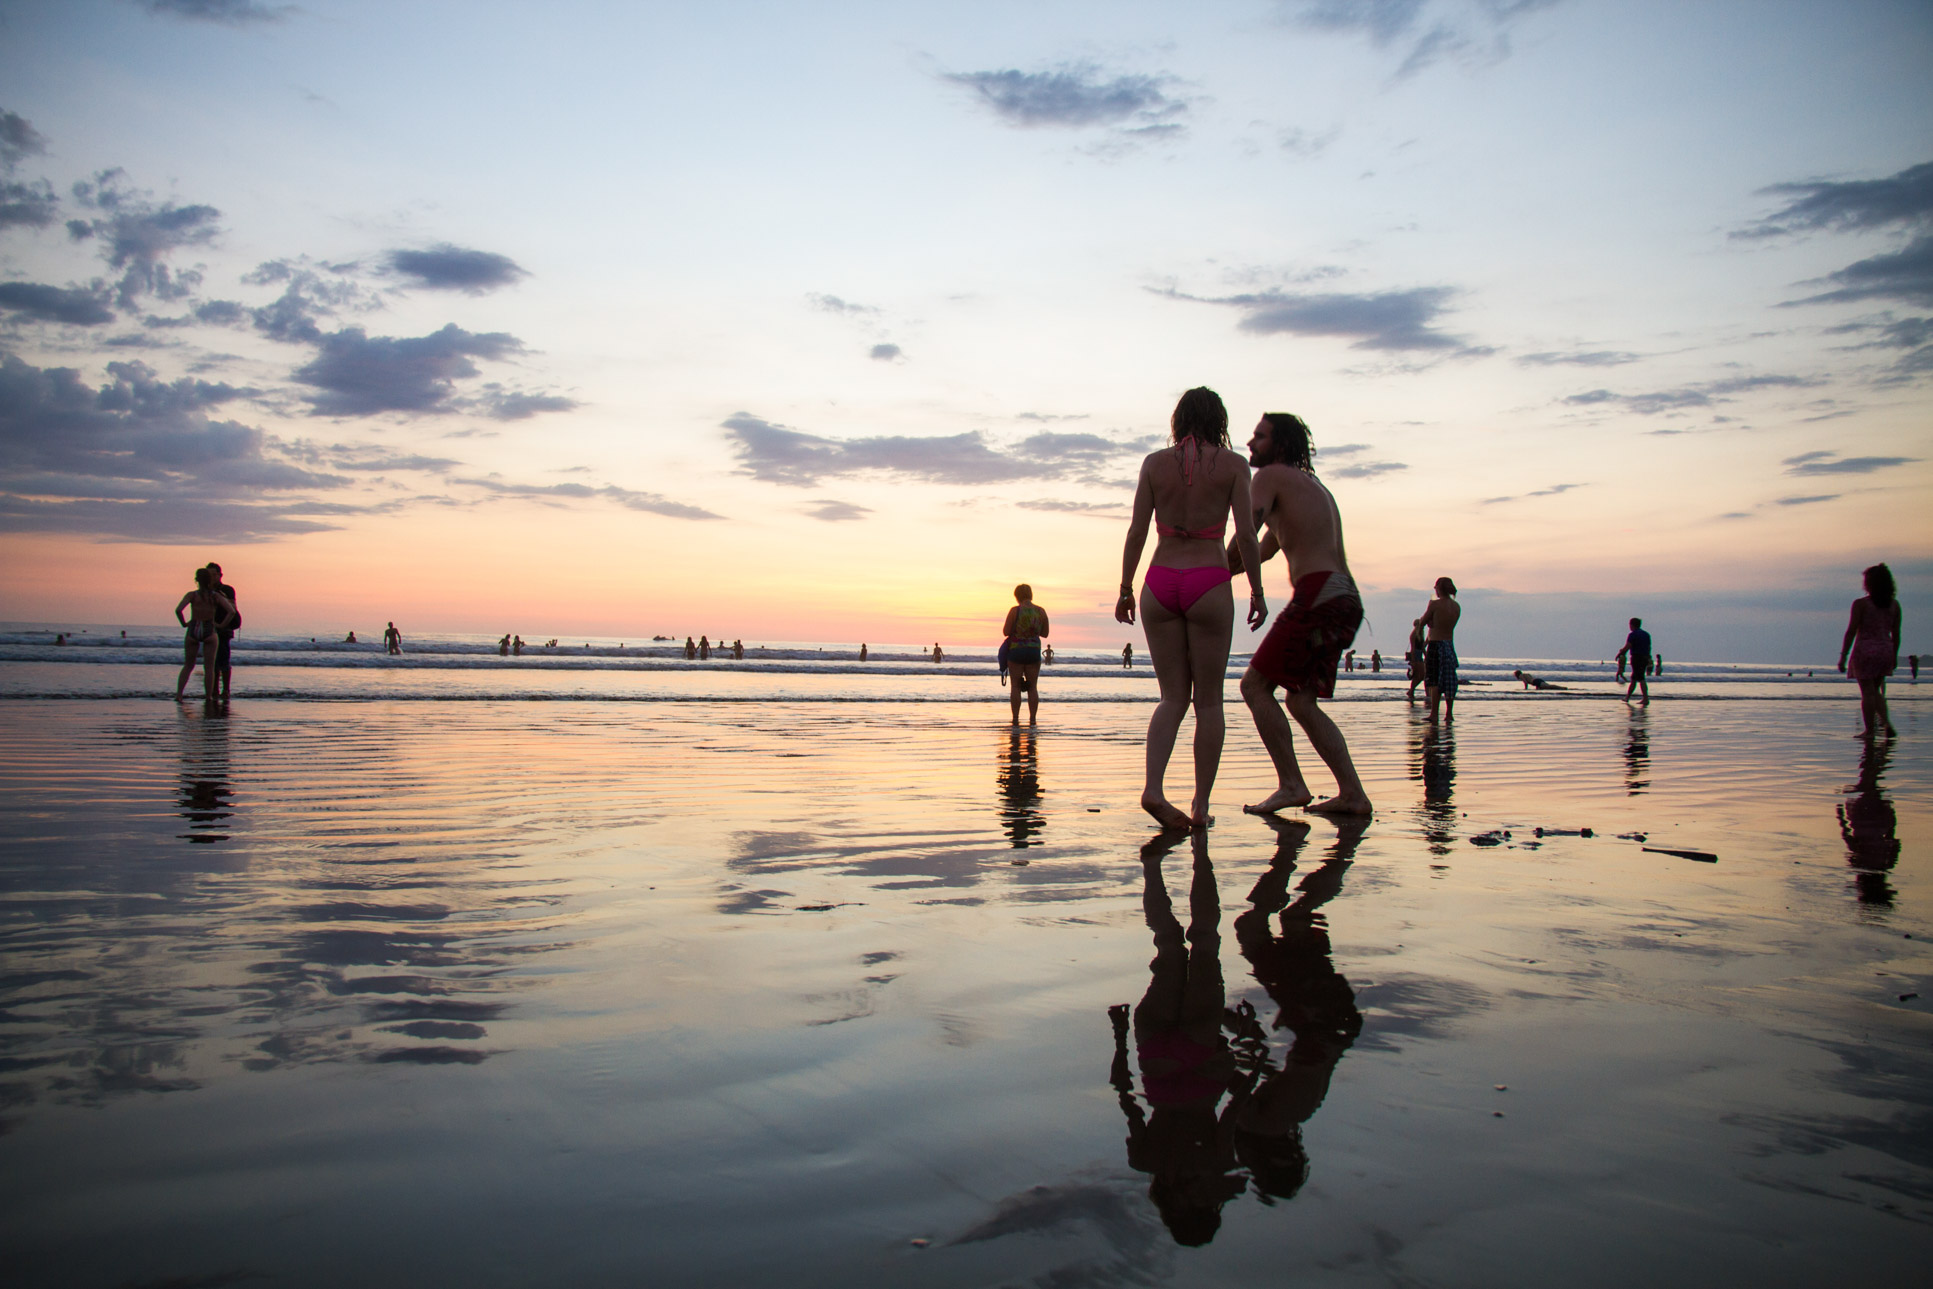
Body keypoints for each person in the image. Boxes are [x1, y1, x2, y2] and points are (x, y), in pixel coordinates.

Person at [1116, 386, 1266, 830]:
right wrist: (1256, 588)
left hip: (1160, 581)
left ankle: (1154, 788)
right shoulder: (1235, 466)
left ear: (1178, 419)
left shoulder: (1153, 464)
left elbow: (1136, 533)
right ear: (1217, 420)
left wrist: (1125, 587)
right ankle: (1200, 805)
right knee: (1210, 703)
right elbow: (1246, 536)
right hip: (1208, 579)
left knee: (1172, 697)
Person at [1232, 411, 1370, 816]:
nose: (1250, 443)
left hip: (1319, 593)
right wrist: (1219, 571)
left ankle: (1292, 784)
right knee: (1300, 701)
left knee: (1255, 687)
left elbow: (1247, 528)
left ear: (1281, 444)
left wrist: (1207, 564)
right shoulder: (1310, 486)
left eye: (1259, 436)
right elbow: (1260, 550)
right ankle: (1353, 794)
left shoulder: (1269, 477)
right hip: (1344, 597)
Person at [1839, 563, 1901, 738]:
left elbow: (1851, 631)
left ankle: (1870, 731)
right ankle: (1887, 724)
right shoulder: (1895, 606)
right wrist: (1894, 655)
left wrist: (1843, 655)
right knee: (1875, 691)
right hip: (1885, 650)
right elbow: (1896, 634)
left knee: (1867, 692)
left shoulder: (1861, 604)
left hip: (1865, 650)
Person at [173, 566, 238, 702]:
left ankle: (179, 695)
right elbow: (231, 611)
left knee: (188, 665)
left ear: (196, 580)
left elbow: (178, 610)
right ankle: (208, 696)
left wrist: (184, 623)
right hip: (209, 628)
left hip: (194, 628)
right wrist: (221, 625)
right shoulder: (215, 596)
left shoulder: (192, 595)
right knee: (209, 668)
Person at [1003, 584, 1051, 725]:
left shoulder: (1014, 611)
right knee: (1032, 687)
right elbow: (1045, 633)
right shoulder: (1040, 611)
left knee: (1015, 687)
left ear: (1017, 596)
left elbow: (1006, 631)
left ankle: (1016, 719)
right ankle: (1032, 719)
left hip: (1016, 651)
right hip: (1033, 651)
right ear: (1030, 594)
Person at [1417, 578, 1461, 724]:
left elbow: (1422, 623)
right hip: (1449, 644)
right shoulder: (1456, 606)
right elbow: (1441, 625)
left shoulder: (1435, 604)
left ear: (1438, 588)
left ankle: (1434, 713)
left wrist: (1428, 610)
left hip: (1435, 645)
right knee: (1449, 679)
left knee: (1434, 680)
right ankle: (1449, 713)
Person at [207, 563, 239, 700]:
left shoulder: (227, 589)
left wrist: (220, 597)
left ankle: (226, 690)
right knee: (212, 661)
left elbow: (232, 607)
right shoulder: (205, 590)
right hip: (210, 628)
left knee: (224, 660)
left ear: (220, 575)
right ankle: (214, 690)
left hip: (225, 627)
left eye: (214, 574)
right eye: (209, 575)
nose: (212, 577)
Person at [1615, 616, 1651, 704]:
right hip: (1645, 657)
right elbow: (1649, 647)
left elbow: (1628, 646)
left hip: (1637, 657)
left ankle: (1645, 698)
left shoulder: (1633, 634)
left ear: (1632, 625)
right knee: (1634, 678)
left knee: (1640, 678)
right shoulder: (1646, 634)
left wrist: (1620, 654)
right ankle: (1627, 698)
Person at [1403, 618, 1426, 701]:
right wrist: (1413, 660)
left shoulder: (1420, 634)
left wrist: (1426, 655)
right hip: (1416, 655)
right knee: (1418, 675)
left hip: (1419, 655)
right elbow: (1413, 648)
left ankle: (1411, 691)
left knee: (1421, 675)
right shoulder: (1413, 635)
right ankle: (1411, 691)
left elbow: (1422, 647)